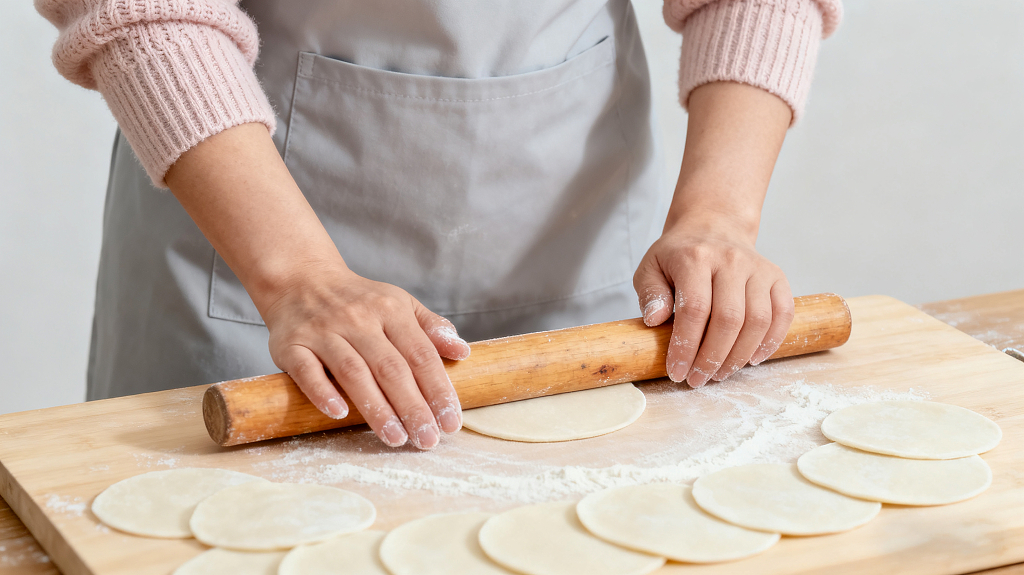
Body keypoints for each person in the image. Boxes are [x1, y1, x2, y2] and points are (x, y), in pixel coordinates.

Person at [38, 0, 841, 450]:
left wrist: (719, 217)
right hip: (253, 227)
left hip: (570, 222)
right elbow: (142, 12)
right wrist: (297, 276)